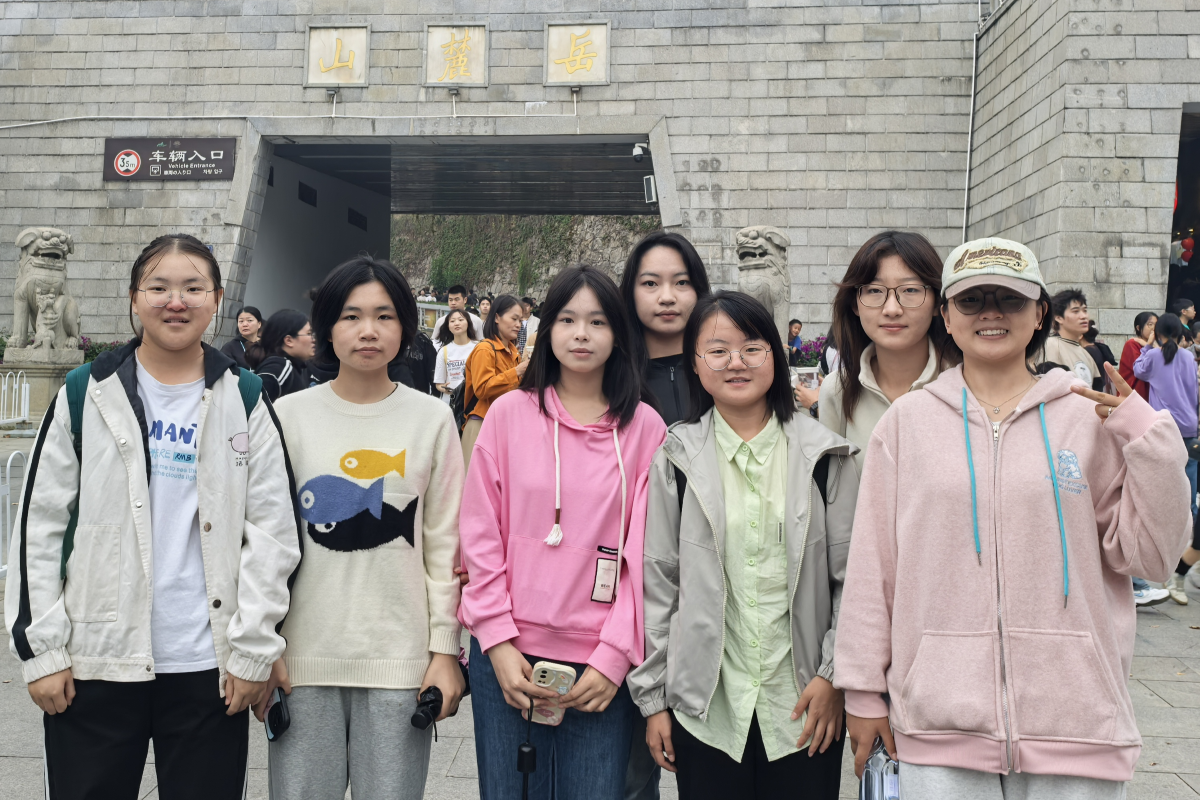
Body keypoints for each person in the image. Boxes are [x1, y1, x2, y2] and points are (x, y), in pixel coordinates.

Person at [835, 237, 1191, 798]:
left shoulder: (1088, 418)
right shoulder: (907, 423)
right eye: (972, 300)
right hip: (939, 720)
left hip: (1076, 721)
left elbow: (1150, 557)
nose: (991, 314)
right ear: (947, 316)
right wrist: (861, 691)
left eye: (1010, 299)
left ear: (1040, 313)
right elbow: (873, 568)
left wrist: (1148, 437)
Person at [5, 233, 301, 799]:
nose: (176, 301)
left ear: (217, 300)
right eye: (159, 287)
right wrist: (42, 651)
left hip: (208, 667)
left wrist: (253, 650)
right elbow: (38, 525)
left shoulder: (243, 397)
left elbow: (272, 534)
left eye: (193, 288)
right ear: (134, 299)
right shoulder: (85, 392)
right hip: (96, 661)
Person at [629, 291, 859, 800]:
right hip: (707, 710)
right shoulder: (676, 459)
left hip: (804, 705)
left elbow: (852, 581)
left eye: (752, 348)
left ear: (775, 357)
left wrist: (832, 677)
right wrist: (654, 701)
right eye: (718, 350)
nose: (736, 362)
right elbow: (657, 583)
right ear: (695, 363)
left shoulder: (824, 458)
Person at [459, 265, 667, 800]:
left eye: (598, 322)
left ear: (618, 334)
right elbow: (480, 535)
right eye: (568, 320)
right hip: (507, 656)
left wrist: (615, 657)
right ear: (546, 329)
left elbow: (647, 557)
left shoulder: (646, 428)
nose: (581, 334)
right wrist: (497, 641)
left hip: (600, 664)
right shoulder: (508, 414)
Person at [262, 255, 465, 800]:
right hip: (301, 664)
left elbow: (444, 543)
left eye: (384, 316)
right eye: (351, 316)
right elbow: (265, 541)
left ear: (406, 327)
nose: (368, 331)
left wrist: (445, 650)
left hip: (400, 664)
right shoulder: (288, 416)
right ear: (328, 327)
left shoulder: (432, 420)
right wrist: (265, 646)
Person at [795, 230, 952, 473]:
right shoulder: (838, 390)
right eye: (875, 291)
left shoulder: (963, 384)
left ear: (936, 303)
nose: (892, 309)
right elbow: (835, 486)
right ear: (855, 305)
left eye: (910, 290)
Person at [1133, 312, 1200, 605]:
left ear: (1157, 332)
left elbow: (1138, 371)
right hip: (1189, 427)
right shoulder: (1188, 357)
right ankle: (1185, 540)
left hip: (1164, 428)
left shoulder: (1153, 356)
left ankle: (1160, 548)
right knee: (1188, 488)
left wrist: (1148, 345)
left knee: (1159, 488)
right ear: (1180, 334)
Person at [620, 230, 713, 428]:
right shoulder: (611, 376)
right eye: (650, 283)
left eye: (682, 282)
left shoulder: (722, 368)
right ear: (631, 292)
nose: (667, 298)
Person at [461, 295, 525, 469]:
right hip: (481, 423)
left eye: (520, 320)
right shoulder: (485, 349)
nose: (518, 324)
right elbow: (482, 389)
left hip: (504, 424)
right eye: (514, 318)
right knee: (475, 480)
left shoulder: (513, 352)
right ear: (497, 317)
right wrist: (517, 371)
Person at [1040, 288, 1103, 390]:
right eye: (1076, 311)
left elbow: (1097, 389)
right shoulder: (1050, 346)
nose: (1083, 316)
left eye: (1085, 310)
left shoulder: (1086, 354)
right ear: (1058, 318)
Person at [249, 309, 315, 401]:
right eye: (309, 333)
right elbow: (255, 404)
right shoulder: (280, 367)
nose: (314, 339)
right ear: (289, 340)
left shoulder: (300, 367)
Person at [434, 308, 479, 404]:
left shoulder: (478, 347)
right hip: (451, 403)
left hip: (473, 402)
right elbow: (439, 384)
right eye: (452, 321)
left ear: (468, 323)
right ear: (448, 326)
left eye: (461, 320)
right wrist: (445, 389)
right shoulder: (443, 351)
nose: (457, 323)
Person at [1118, 312, 1157, 402]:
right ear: (1138, 328)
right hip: (1134, 392)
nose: (1154, 328)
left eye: (1156, 325)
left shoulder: (1155, 345)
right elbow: (1143, 368)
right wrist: (1149, 346)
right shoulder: (1132, 343)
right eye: (1150, 324)